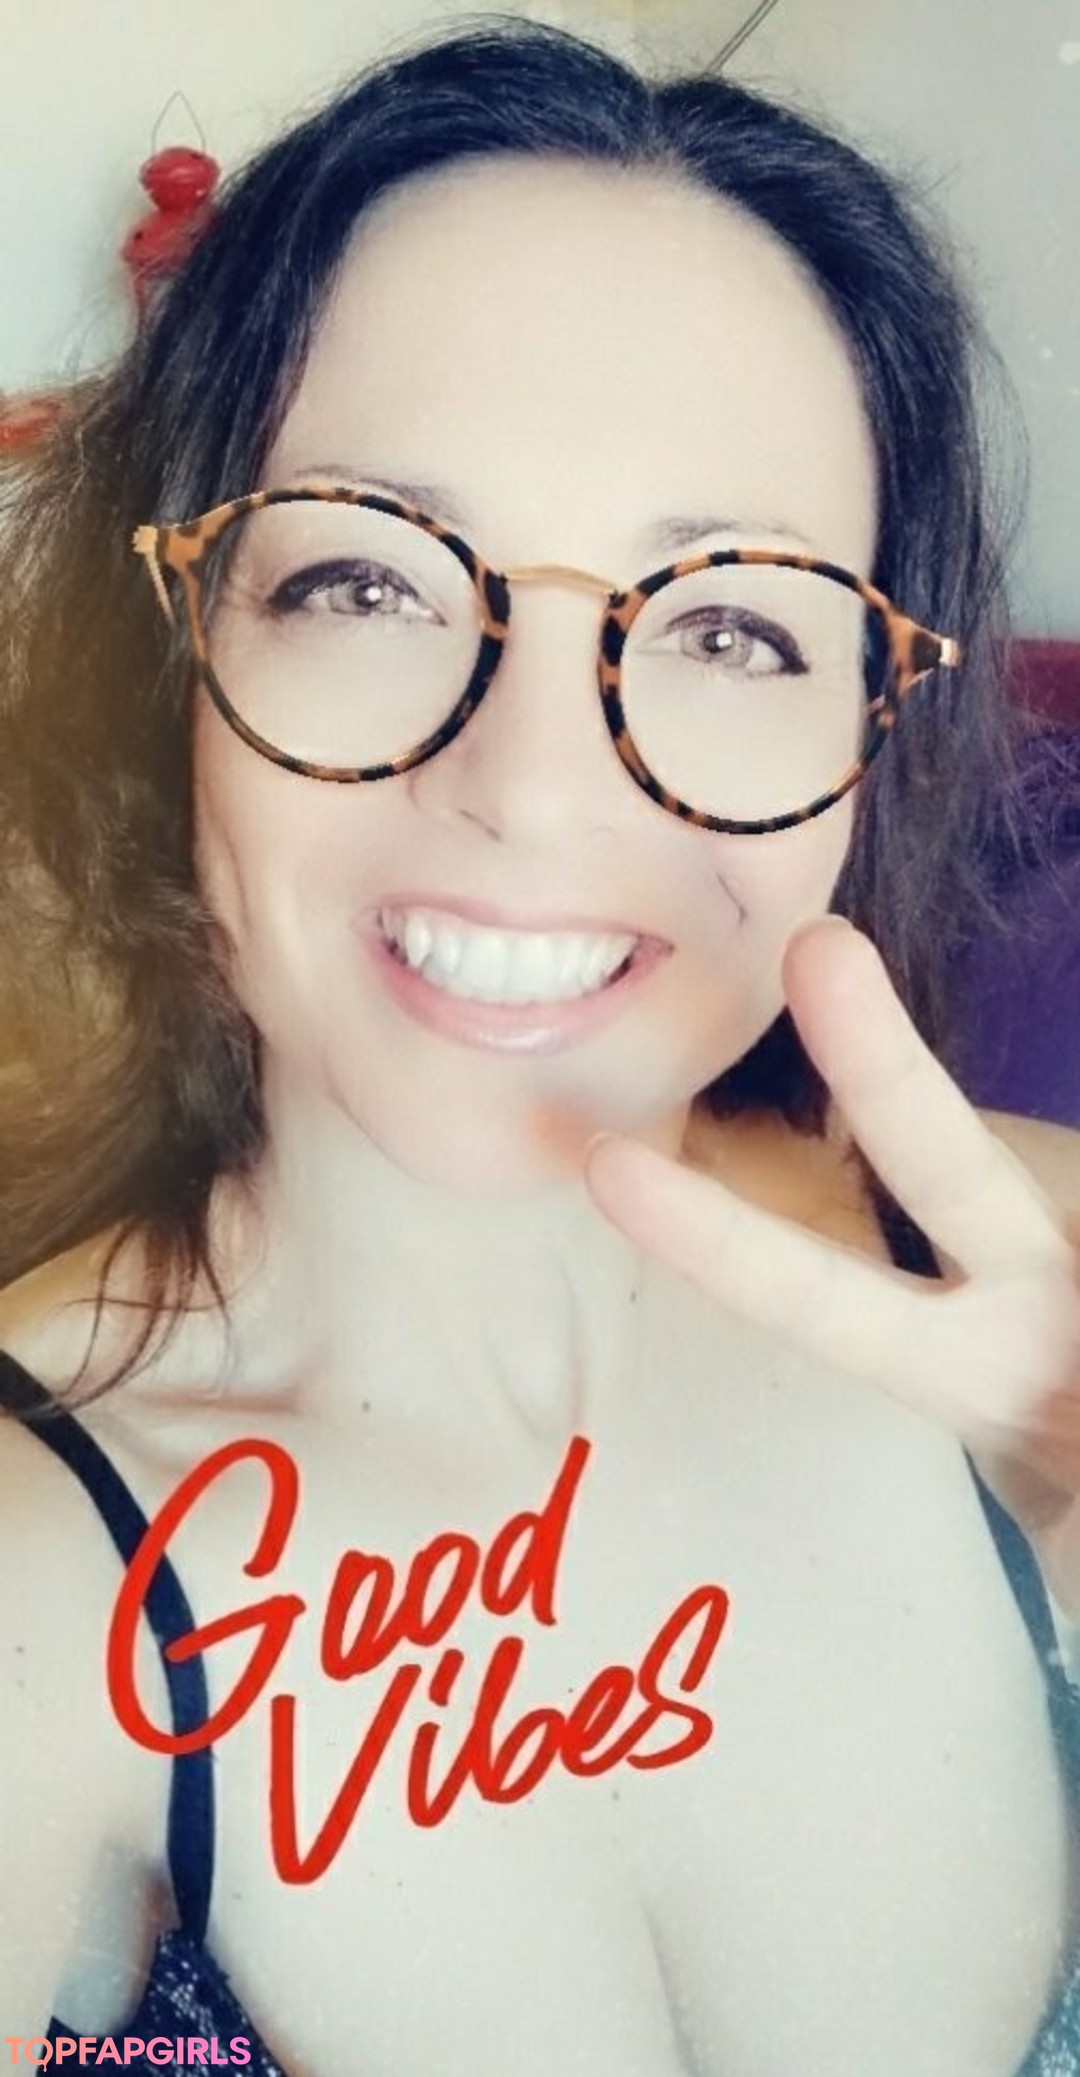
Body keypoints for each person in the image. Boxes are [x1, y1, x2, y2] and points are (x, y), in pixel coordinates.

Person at [1, 18, 1078, 2077]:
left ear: (873, 734)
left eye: (733, 622)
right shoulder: (31, 1576)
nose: (532, 782)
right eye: (362, 579)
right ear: (178, 656)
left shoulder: (1027, 1303)